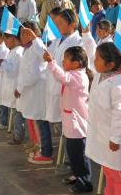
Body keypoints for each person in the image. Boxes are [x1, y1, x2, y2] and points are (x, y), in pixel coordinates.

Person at [85, 42, 121, 195]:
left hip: (113, 140)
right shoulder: (101, 74)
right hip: (102, 135)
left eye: (98, 59)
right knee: (108, 172)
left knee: (119, 175)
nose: (94, 60)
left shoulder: (120, 85)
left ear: (110, 64)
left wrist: (116, 138)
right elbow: (88, 49)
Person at [44, 46, 93, 193]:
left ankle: (85, 182)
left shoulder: (78, 76)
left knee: (79, 155)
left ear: (77, 63)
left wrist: (51, 62)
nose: (63, 61)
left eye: (66, 59)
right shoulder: (74, 73)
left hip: (77, 125)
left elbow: (63, 77)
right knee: (74, 154)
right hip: (71, 122)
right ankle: (78, 177)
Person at [44, 9, 83, 151]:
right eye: (56, 23)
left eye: (60, 23)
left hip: (68, 89)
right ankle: (66, 157)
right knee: (62, 128)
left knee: (71, 129)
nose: (58, 26)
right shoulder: (57, 41)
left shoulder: (78, 42)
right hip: (55, 86)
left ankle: (69, 161)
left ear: (72, 24)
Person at [15, 22, 50, 164]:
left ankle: (45, 152)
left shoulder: (37, 47)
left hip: (36, 91)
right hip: (30, 92)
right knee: (36, 121)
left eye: (25, 34)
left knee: (41, 122)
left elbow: (34, 74)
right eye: (22, 34)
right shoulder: (27, 49)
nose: (21, 37)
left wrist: (20, 87)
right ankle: (40, 147)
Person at [0, 33, 25, 145]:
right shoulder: (13, 51)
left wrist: (2, 63)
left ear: (14, 38)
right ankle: (16, 134)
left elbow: (13, 71)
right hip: (13, 87)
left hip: (17, 88)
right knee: (16, 112)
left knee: (18, 113)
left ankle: (18, 136)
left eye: (6, 38)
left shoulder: (18, 52)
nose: (5, 41)